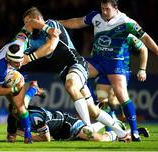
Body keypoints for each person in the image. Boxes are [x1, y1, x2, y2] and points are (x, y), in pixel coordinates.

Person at [22, 7, 131, 141]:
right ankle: (122, 133)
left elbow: (50, 46)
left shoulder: (52, 24)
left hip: (76, 63)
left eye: (29, 22)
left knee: (71, 85)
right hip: (65, 72)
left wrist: (30, 57)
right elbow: (19, 51)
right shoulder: (34, 39)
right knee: (93, 111)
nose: (27, 27)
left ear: (37, 20)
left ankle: (87, 126)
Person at [59, 0, 158, 141]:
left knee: (118, 96)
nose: (104, 12)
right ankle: (107, 124)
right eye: (102, 8)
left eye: (107, 9)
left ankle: (134, 131)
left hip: (116, 64)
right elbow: (76, 22)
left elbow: (146, 40)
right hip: (98, 61)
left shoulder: (126, 22)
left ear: (116, 8)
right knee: (77, 75)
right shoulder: (96, 17)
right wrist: (57, 23)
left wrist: (144, 67)